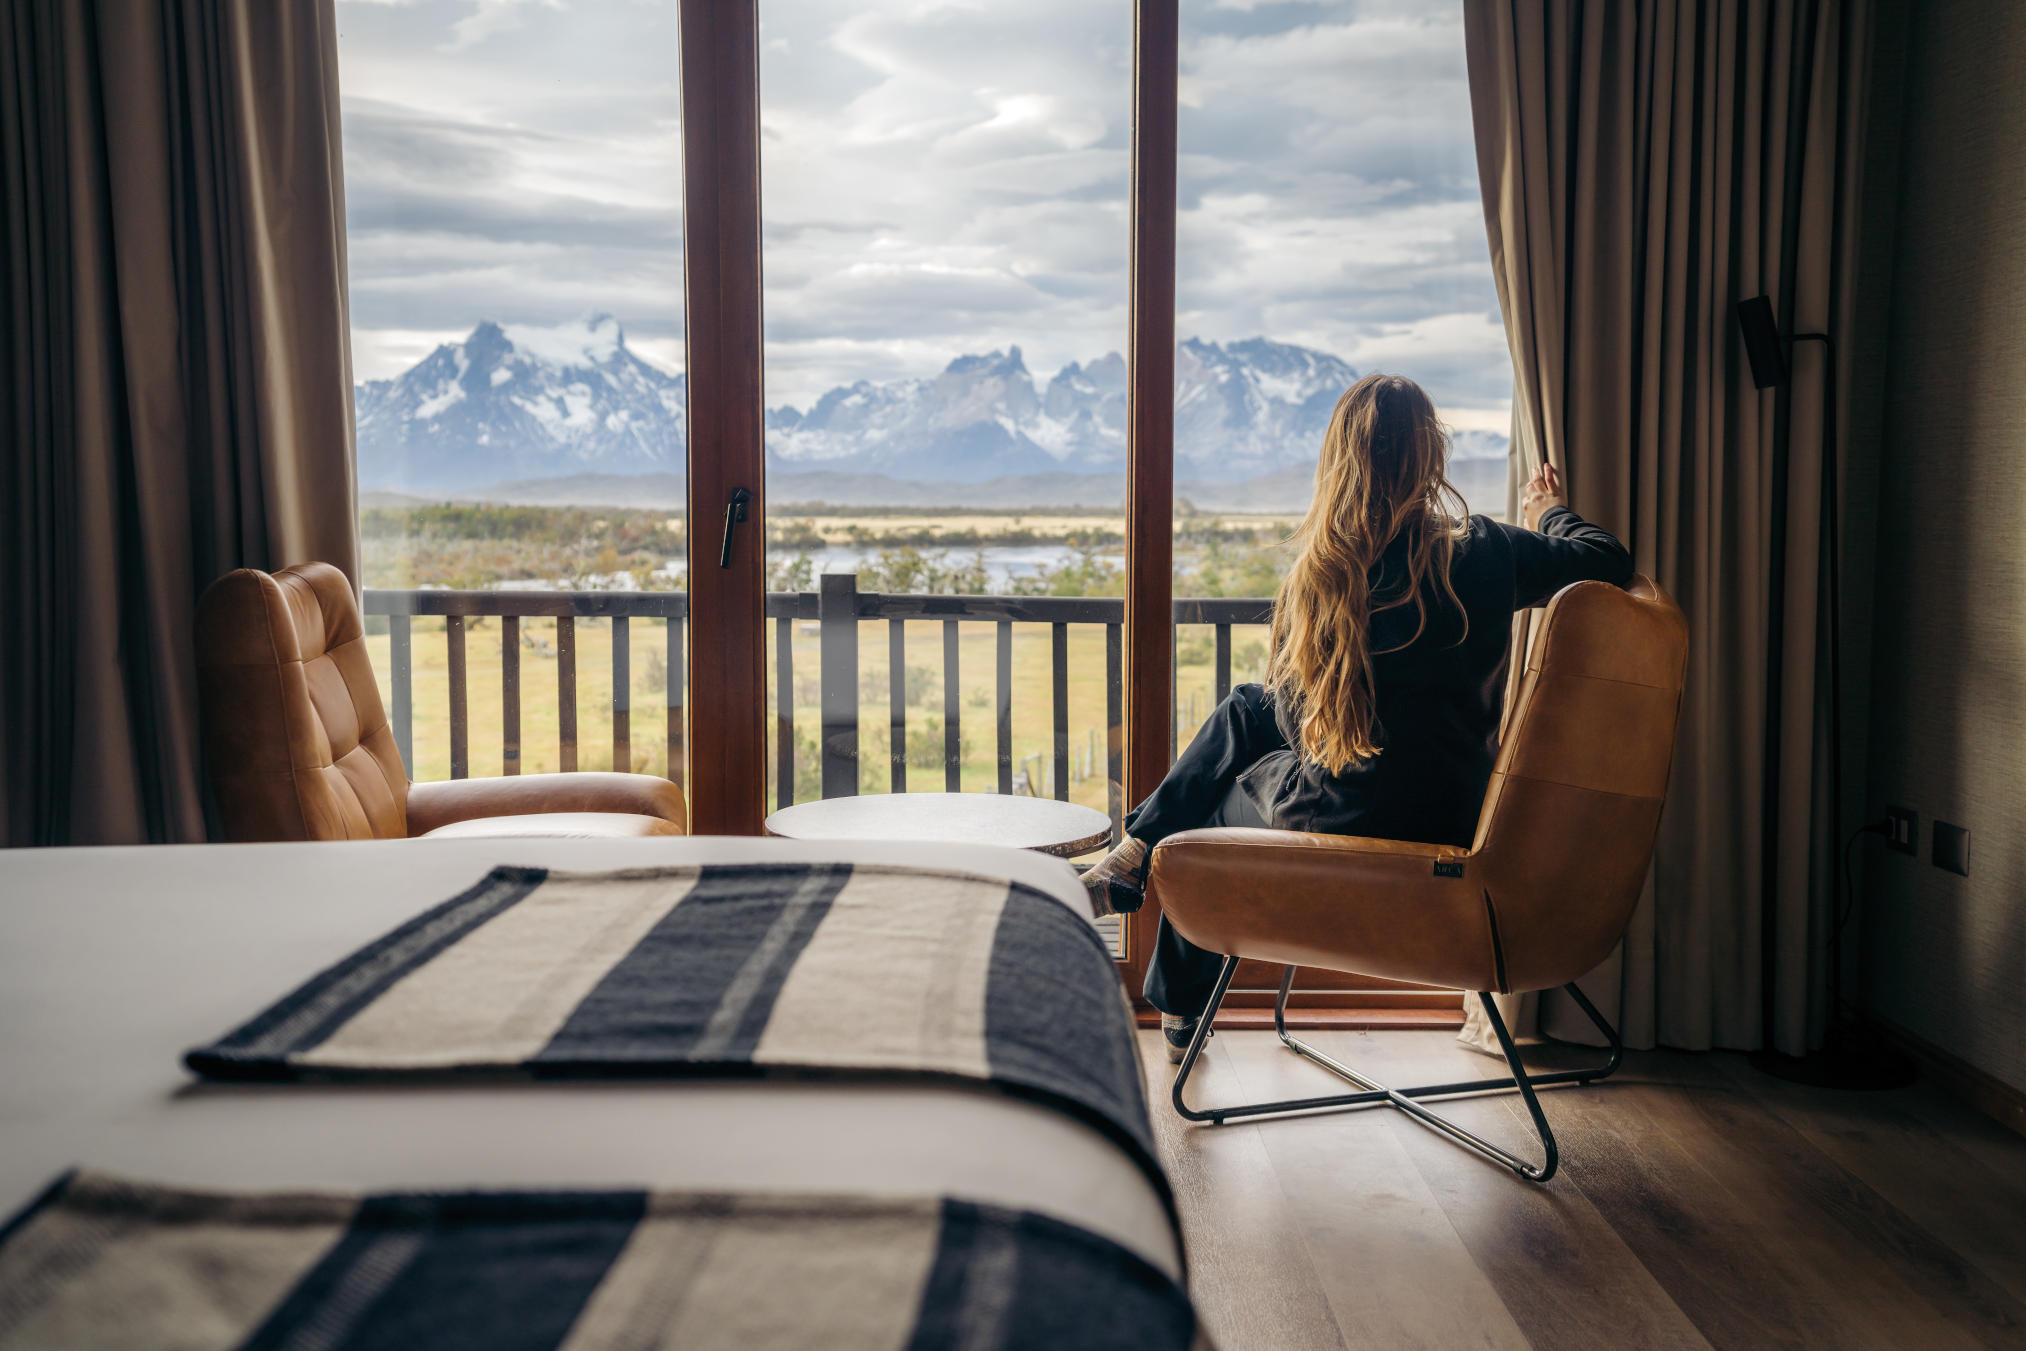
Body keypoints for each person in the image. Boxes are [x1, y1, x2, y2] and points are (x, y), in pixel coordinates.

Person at [1082, 373, 1633, 1061]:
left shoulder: (1323, 571)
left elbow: (1304, 713)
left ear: (1339, 459)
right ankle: (1136, 860)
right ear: (1430, 454)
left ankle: (1163, 948)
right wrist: (1549, 508)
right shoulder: (1488, 550)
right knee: (1246, 709)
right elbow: (1608, 561)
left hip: (1340, 817)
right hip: (1455, 816)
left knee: (1221, 772)